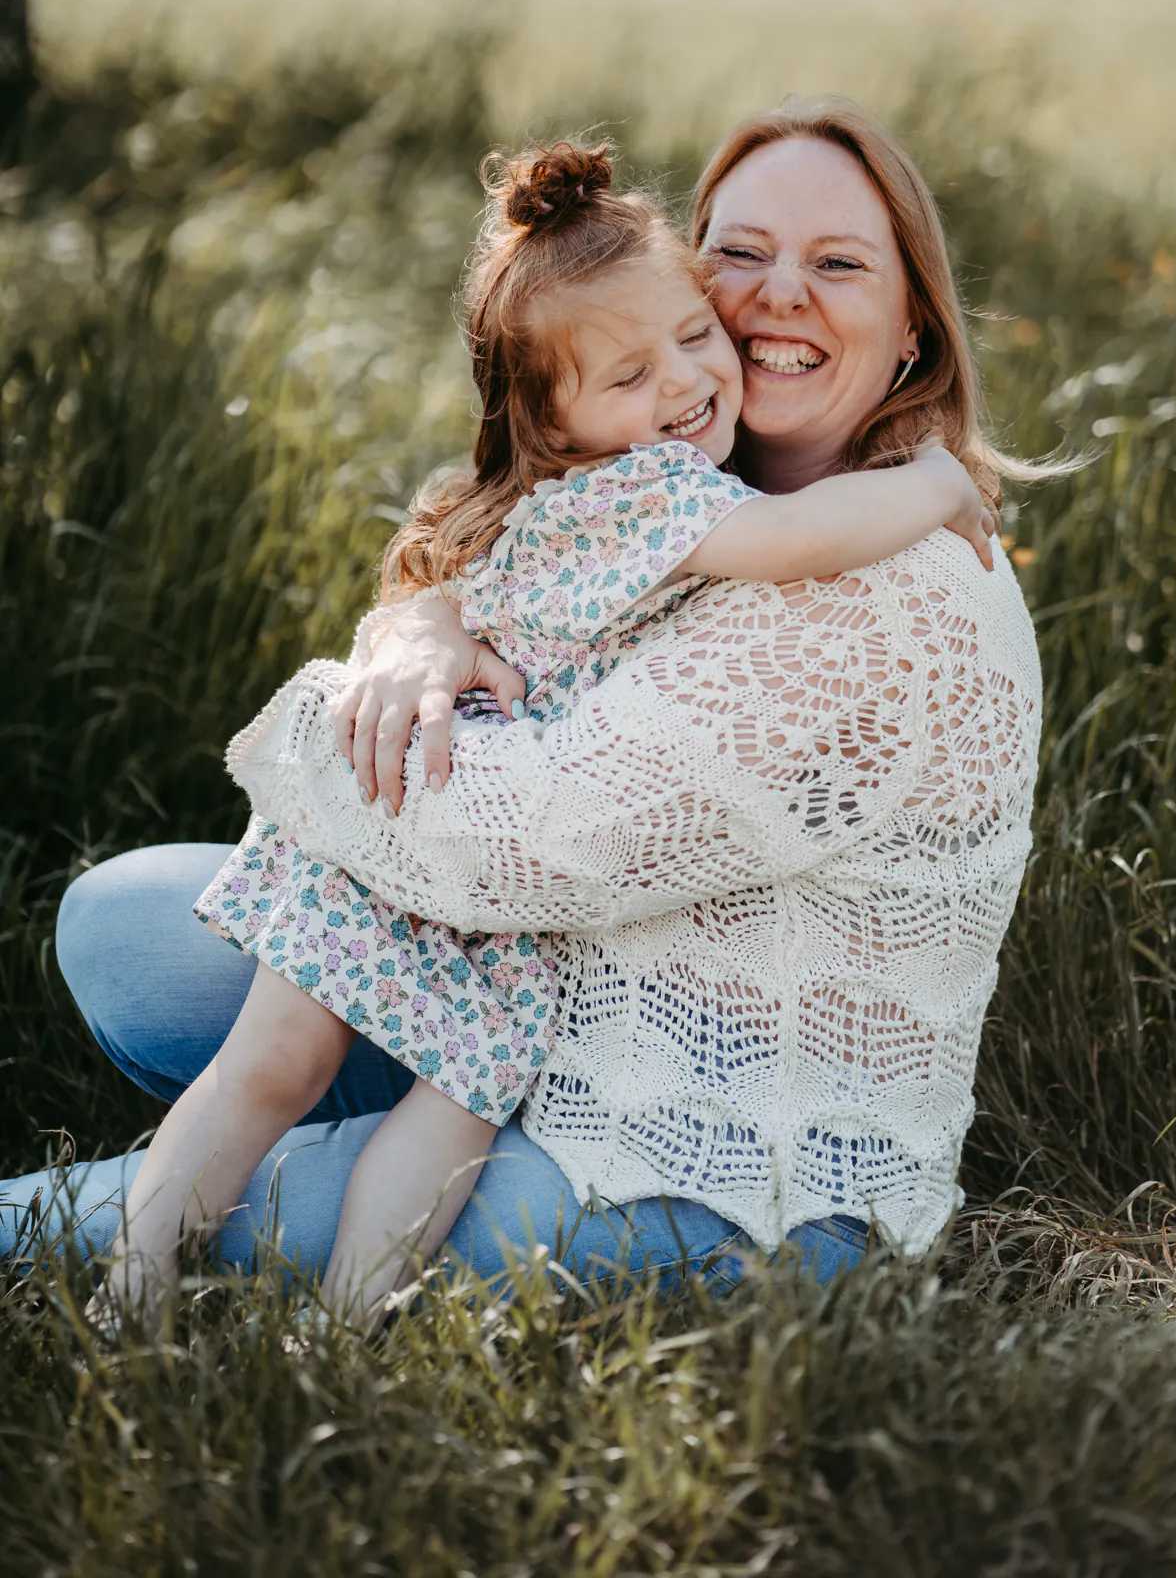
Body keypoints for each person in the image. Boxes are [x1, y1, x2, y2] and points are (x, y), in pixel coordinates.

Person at [2, 97, 1044, 1296]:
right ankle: (287, 1159)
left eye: (839, 263)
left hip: (719, 1154)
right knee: (126, 933)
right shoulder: (678, 483)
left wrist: (326, 729)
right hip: (565, 987)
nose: (774, 298)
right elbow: (512, 588)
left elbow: (538, 837)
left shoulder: (879, 586)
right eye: (739, 256)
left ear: (914, 321)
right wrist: (420, 630)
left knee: (72, 1215)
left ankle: (233, 1266)